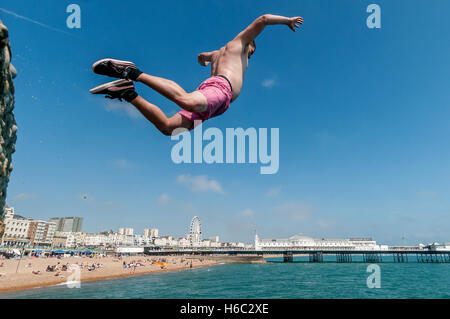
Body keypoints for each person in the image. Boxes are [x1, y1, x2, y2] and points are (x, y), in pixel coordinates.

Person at [90, 14, 303, 134]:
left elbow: (203, 56)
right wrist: (287, 21)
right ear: (251, 44)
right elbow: (263, 19)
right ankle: (130, 71)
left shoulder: (221, 52)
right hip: (219, 90)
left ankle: (128, 93)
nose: (252, 55)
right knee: (186, 101)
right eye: (253, 50)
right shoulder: (239, 44)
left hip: (218, 102)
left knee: (168, 128)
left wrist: (204, 58)